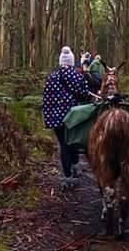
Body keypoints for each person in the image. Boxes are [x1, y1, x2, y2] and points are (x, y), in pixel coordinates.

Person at [42, 46, 88, 190]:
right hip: (74, 118)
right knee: (73, 142)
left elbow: (46, 99)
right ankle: (75, 167)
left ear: (61, 62)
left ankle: (67, 177)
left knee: (63, 145)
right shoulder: (77, 76)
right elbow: (85, 94)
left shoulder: (52, 77)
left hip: (57, 119)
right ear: (72, 62)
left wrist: (50, 117)